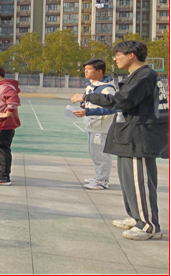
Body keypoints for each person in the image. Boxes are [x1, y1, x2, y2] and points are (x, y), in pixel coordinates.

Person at [72, 41, 169, 241]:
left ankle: (148, 226)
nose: (115, 59)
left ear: (131, 54)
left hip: (139, 136)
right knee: (128, 181)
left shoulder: (145, 76)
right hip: (129, 134)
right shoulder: (136, 76)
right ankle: (136, 217)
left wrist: (88, 96)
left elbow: (122, 101)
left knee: (140, 181)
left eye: (118, 55)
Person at [71, 59, 117, 190]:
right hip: (93, 124)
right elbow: (92, 102)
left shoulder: (107, 88)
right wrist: (84, 106)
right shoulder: (92, 85)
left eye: (89, 69)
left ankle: (102, 181)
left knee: (101, 155)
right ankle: (99, 176)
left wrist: (88, 112)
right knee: (95, 153)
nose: (85, 71)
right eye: (85, 69)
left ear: (99, 71)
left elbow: (112, 108)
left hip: (101, 127)